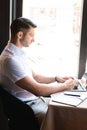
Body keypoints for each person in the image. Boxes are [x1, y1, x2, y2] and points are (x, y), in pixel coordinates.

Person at [0, 17, 78, 128]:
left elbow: (35, 76)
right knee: (67, 118)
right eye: (31, 35)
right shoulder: (10, 59)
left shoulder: (17, 54)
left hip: (34, 101)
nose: (34, 40)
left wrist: (56, 78)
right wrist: (65, 86)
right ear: (20, 35)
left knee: (65, 109)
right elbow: (38, 90)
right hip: (27, 108)